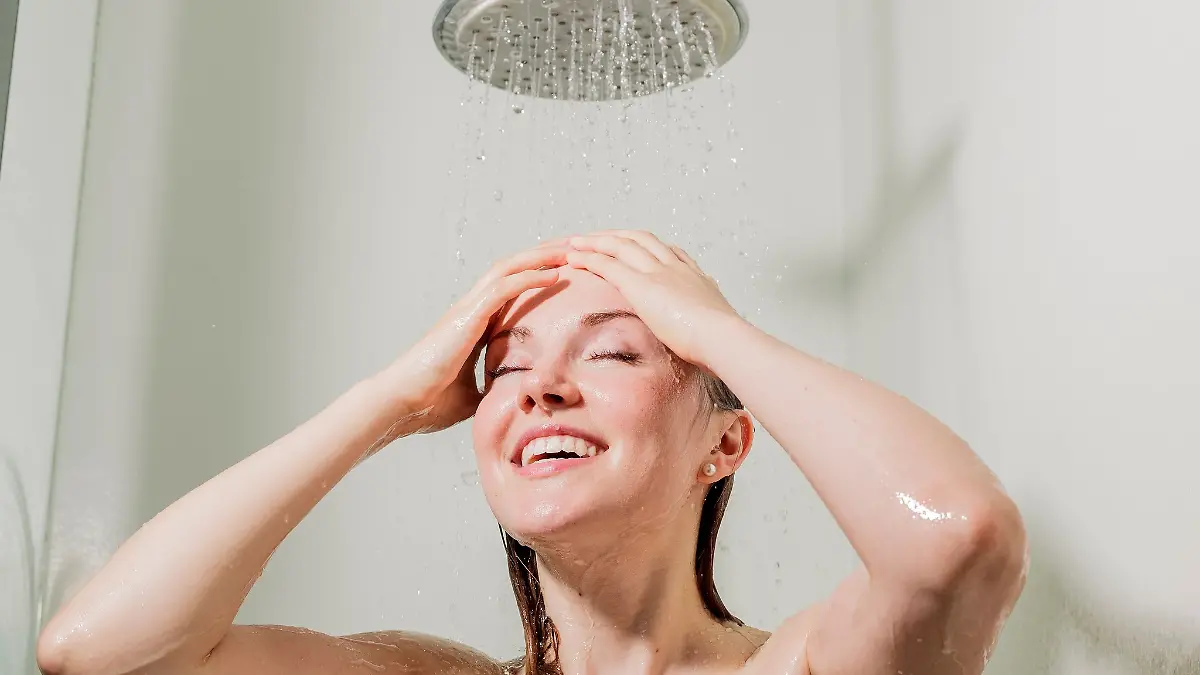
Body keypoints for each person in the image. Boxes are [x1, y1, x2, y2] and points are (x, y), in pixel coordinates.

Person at [36, 231, 1027, 675]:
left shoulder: (805, 666)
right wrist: (384, 402)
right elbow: (99, 656)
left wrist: (713, 330)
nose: (544, 387)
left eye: (613, 352)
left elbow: (958, 540)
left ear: (725, 443)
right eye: (508, 370)